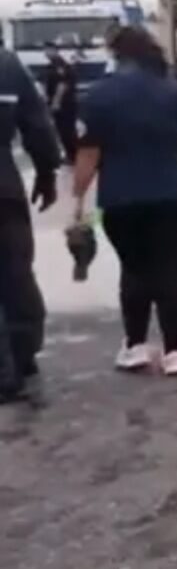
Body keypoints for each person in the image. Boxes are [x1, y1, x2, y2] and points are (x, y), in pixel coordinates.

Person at [72, 27, 177, 377]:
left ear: (116, 53)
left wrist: (78, 200)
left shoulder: (100, 95)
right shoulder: (172, 91)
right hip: (171, 196)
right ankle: (175, 352)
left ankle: (136, 346)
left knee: (135, 270)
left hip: (121, 199)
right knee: (170, 270)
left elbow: (89, 155)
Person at [0, 48, 62, 405]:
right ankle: (22, 360)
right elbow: (37, 123)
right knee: (15, 271)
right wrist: (47, 172)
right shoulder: (6, 64)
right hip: (3, 184)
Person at [41, 45, 80, 163]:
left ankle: (74, 155)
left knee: (66, 130)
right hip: (61, 103)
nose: (46, 53)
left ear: (55, 51)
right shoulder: (52, 65)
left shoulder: (59, 65)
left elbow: (62, 85)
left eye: (48, 50)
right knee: (63, 130)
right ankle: (70, 155)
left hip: (65, 104)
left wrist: (55, 102)